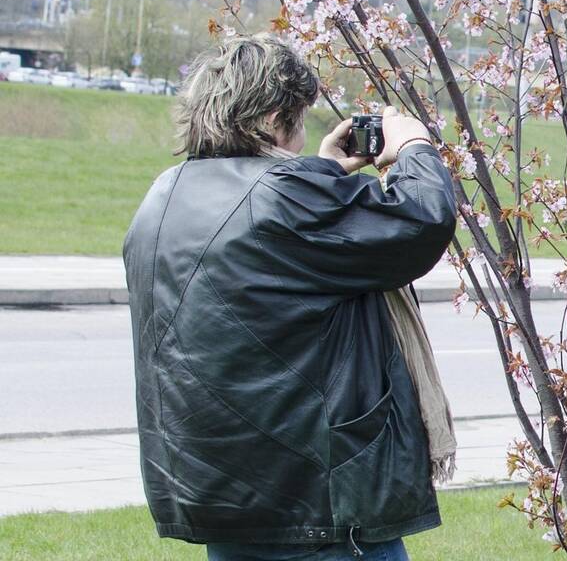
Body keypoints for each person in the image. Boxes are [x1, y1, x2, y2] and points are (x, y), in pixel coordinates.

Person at [124, 35, 458, 561]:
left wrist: (321, 171)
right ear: (277, 117)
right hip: (317, 510)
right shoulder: (284, 197)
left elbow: (276, 258)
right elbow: (418, 224)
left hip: (228, 499)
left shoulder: (165, 192)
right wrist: (415, 146)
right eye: (298, 120)